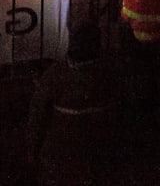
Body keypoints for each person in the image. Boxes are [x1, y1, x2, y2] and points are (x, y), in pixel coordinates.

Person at [26, 24, 118, 186]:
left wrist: (32, 153)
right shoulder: (110, 74)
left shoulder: (56, 75)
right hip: (98, 157)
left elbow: (37, 117)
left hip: (61, 158)